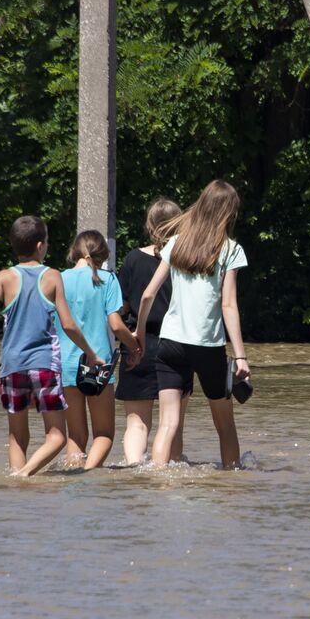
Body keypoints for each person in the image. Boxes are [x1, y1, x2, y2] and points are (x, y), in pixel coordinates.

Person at [0, 215, 99, 476]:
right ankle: (24, 475)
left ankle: (17, 489)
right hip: (44, 365)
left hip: (12, 365)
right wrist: (91, 353)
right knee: (57, 438)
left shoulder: (5, 277)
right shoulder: (52, 276)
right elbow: (68, 325)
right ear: (41, 246)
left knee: (17, 437)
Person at [133, 180, 251, 469]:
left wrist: (138, 333)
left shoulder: (176, 243)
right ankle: (230, 483)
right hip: (207, 346)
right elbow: (228, 305)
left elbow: (148, 294)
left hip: (170, 343)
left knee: (167, 424)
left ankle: (158, 480)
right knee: (224, 423)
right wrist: (240, 356)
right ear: (228, 212)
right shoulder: (230, 249)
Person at [60, 229, 141, 470]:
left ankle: (74, 486)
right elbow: (116, 325)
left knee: (75, 437)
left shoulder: (58, 279)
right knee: (104, 435)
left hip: (65, 364)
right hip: (98, 367)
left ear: (74, 252)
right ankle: (87, 475)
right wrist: (134, 345)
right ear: (102, 256)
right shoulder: (108, 280)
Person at [116, 197, 185, 465]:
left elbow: (121, 306)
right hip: (178, 344)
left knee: (136, 423)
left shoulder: (133, 259)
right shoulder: (184, 260)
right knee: (173, 424)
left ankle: (135, 469)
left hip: (137, 344)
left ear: (149, 224)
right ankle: (170, 472)